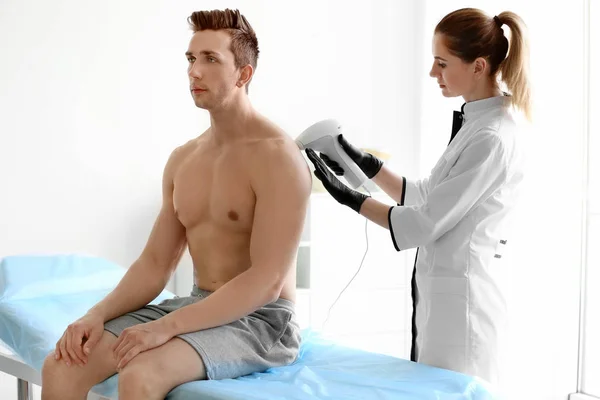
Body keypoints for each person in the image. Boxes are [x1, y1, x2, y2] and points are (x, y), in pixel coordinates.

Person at [41, 8, 312, 400]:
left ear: (244, 74)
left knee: (142, 372)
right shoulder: (184, 159)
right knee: (64, 364)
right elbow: (155, 265)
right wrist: (94, 316)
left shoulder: (278, 157)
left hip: (262, 320)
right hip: (198, 303)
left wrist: (166, 327)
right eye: (190, 58)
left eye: (210, 59)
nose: (194, 72)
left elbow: (267, 282)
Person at [305, 8, 529, 389]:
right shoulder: (477, 122)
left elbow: (425, 221)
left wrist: (350, 198)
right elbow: (427, 194)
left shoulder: (492, 136)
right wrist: (366, 164)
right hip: (445, 300)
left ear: (477, 66)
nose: (432, 73)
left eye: (442, 63)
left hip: (465, 310)